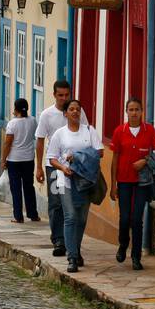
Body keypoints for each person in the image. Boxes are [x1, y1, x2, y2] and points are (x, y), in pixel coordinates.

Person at [44, 99, 101, 273]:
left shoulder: (89, 131)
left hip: (85, 181)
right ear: (66, 113)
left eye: (78, 109)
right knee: (70, 217)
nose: (75, 112)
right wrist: (63, 167)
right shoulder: (59, 134)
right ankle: (72, 257)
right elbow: (52, 158)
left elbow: (99, 152)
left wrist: (77, 156)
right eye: (71, 109)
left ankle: (75, 249)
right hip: (64, 180)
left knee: (82, 219)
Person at [34, 80, 89, 259]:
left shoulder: (78, 113)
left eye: (67, 95)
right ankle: (58, 239)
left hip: (76, 168)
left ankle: (71, 241)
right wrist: (39, 167)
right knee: (56, 202)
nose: (64, 98)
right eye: (60, 95)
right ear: (54, 95)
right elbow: (40, 140)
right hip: (54, 167)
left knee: (75, 204)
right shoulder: (47, 115)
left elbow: (87, 133)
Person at [108, 97, 155, 270]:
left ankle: (136, 256)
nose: (134, 113)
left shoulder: (150, 131)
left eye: (137, 109)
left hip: (142, 182)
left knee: (137, 219)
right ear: (126, 111)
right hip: (123, 181)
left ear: (142, 111)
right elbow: (114, 159)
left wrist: (145, 161)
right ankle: (123, 244)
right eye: (131, 109)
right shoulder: (119, 131)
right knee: (125, 219)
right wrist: (113, 184)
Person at [0, 98, 40, 223]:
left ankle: (18, 216)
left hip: (14, 160)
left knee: (16, 188)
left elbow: (7, 143)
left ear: (15, 109)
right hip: (29, 159)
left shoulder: (12, 123)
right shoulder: (33, 120)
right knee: (29, 187)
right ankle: (33, 214)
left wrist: (3, 159)